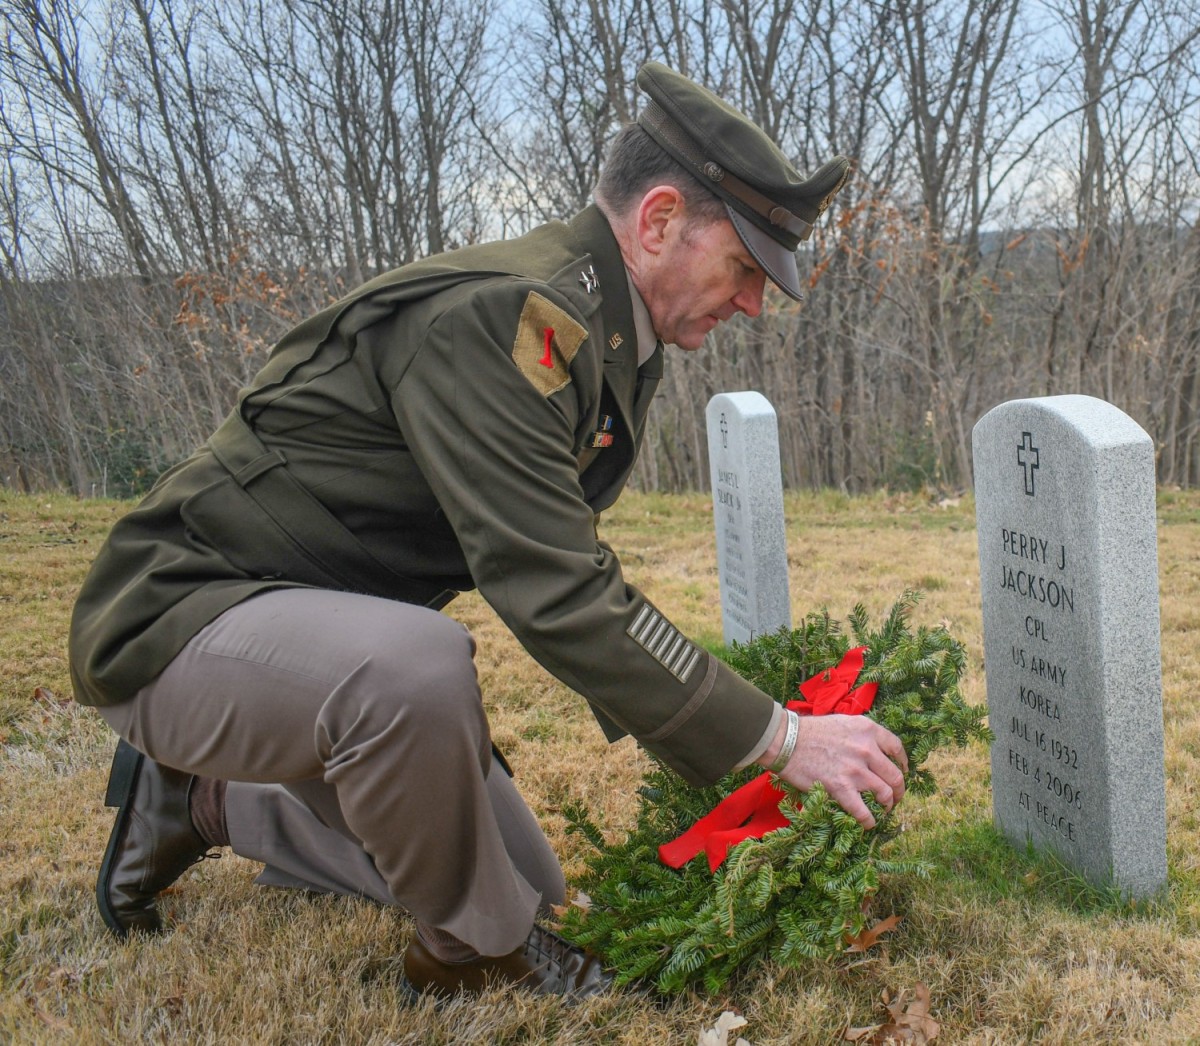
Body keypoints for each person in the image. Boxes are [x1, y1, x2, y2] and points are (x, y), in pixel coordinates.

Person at [70, 61, 908, 1001]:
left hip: (308, 632)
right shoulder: (510, 317)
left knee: (527, 893)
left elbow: (568, 561)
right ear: (661, 220)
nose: (752, 302)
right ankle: (464, 963)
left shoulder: (606, 329)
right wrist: (782, 741)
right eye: (745, 268)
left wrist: (728, 734)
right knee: (418, 681)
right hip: (179, 619)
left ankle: (203, 796)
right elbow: (553, 590)